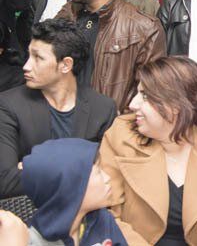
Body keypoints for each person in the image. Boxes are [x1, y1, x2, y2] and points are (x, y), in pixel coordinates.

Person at [99, 56, 197, 245]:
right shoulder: (121, 136)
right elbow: (106, 215)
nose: (132, 104)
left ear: (176, 106)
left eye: (144, 96)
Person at [0, 19, 117, 198]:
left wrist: (34, 166)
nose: (26, 66)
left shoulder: (102, 108)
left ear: (66, 65)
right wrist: (82, 166)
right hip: (30, 216)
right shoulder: (8, 105)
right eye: (28, 55)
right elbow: (6, 181)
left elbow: (109, 176)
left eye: (38, 58)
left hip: (88, 217)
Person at [55, 0, 166, 109]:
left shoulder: (144, 28)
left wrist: (117, 131)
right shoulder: (67, 14)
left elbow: (149, 96)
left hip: (108, 130)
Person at [21, 138, 126, 246]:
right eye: (98, 171)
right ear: (72, 186)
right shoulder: (29, 240)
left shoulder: (101, 219)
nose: (107, 178)